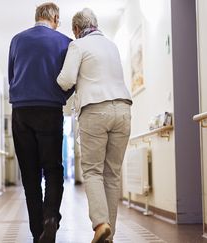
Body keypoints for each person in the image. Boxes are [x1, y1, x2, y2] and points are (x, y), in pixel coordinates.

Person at [57, 8, 132, 243]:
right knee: (112, 175)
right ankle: (108, 236)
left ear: (77, 30)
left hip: (95, 110)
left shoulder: (78, 45)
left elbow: (66, 80)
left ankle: (100, 224)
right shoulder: (112, 45)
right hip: (123, 110)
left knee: (92, 171)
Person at [8, 2, 73, 243]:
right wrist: (60, 97)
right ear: (54, 18)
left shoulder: (16, 39)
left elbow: (11, 75)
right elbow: (70, 79)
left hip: (21, 111)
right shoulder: (66, 42)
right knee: (53, 169)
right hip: (50, 109)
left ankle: (38, 233)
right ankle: (50, 219)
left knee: (30, 175)